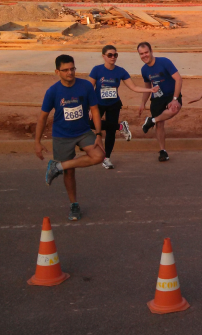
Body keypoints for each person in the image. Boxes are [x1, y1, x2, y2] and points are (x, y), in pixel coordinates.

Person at [35, 54, 105, 221]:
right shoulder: (52, 91)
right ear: (57, 72)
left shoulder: (86, 86)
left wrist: (98, 134)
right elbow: (42, 117)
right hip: (62, 136)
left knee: (99, 156)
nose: (70, 72)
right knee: (69, 173)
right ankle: (74, 205)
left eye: (72, 69)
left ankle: (57, 167)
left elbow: (95, 110)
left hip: (83, 132)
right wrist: (37, 142)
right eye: (65, 70)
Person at [87, 44, 157, 169]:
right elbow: (88, 89)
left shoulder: (121, 71)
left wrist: (150, 90)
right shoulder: (96, 70)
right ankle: (120, 126)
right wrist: (90, 108)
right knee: (89, 123)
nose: (113, 57)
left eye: (115, 55)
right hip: (98, 104)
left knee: (110, 132)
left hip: (113, 104)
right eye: (110, 55)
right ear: (103, 56)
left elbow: (134, 87)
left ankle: (106, 158)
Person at [138, 42, 183, 162]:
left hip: (171, 94)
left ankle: (151, 120)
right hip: (157, 97)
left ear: (151, 51)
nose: (144, 55)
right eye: (141, 54)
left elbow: (178, 79)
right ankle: (163, 151)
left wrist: (174, 99)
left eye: (146, 52)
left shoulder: (164, 62)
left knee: (174, 109)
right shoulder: (144, 70)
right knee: (159, 124)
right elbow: (148, 86)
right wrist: (143, 103)